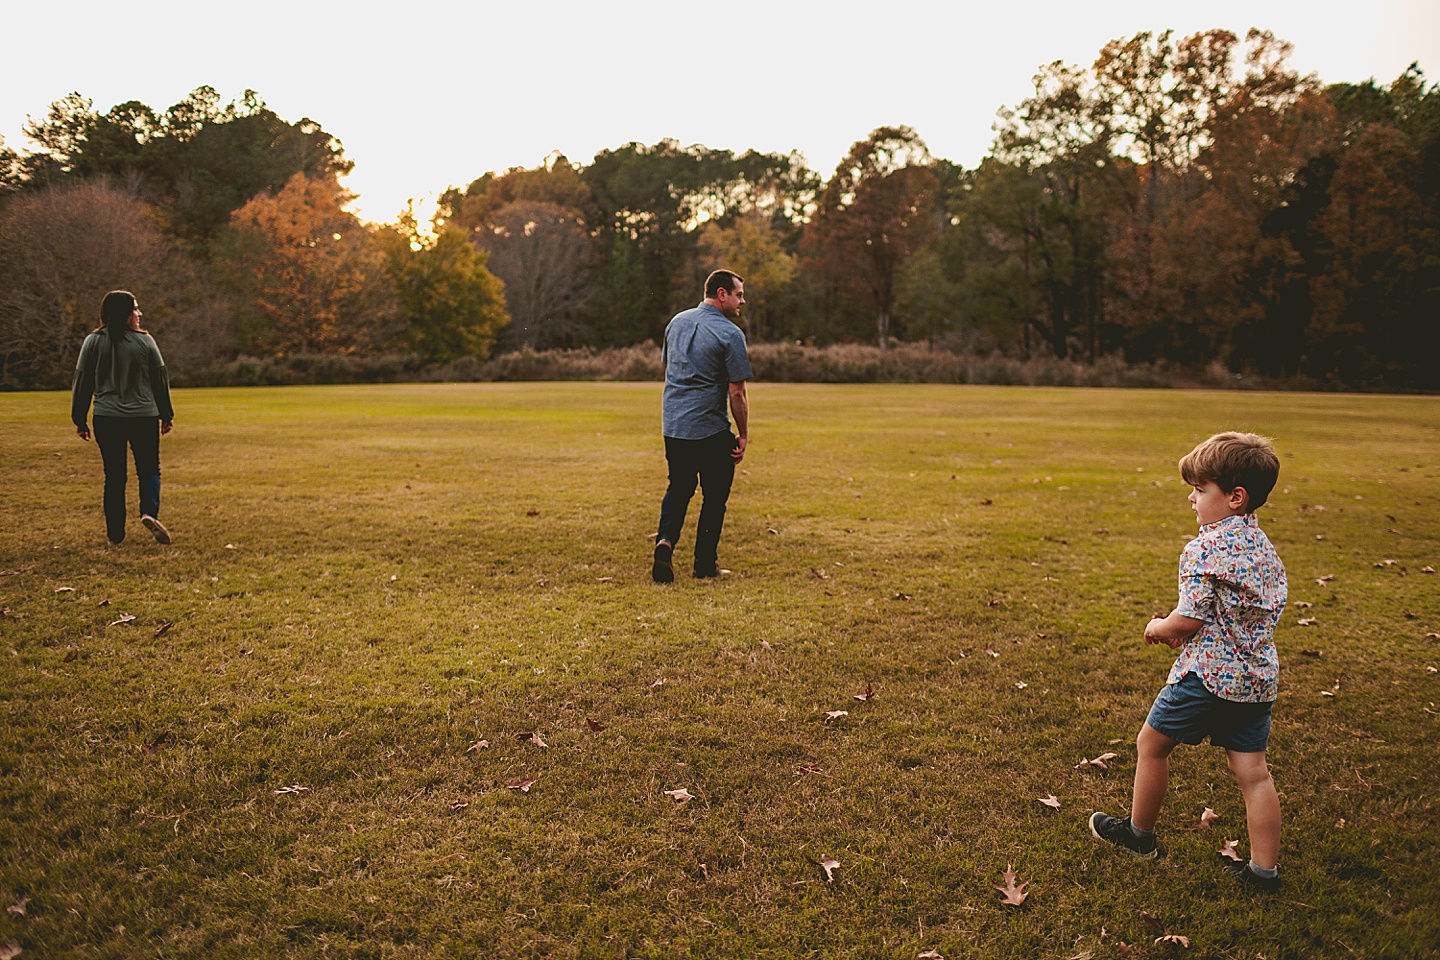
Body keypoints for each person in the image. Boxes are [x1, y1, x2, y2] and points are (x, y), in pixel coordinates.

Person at [1089, 432, 1288, 893]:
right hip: (1257, 681)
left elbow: (1187, 622)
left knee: (1151, 745)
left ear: (1235, 498)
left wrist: (1157, 626)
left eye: (1201, 490)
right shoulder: (1263, 548)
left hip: (1206, 678)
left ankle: (1140, 837)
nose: (1191, 498)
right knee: (1254, 773)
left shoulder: (1203, 549)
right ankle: (1264, 872)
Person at [651, 269, 752, 582]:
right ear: (722, 294)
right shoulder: (730, 334)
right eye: (738, 295)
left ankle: (665, 541)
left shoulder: (676, 323)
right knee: (715, 496)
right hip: (709, 427)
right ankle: (704, 565)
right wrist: (744, 434)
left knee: (679, 487)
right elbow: (737, 391)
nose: (742, 302)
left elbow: (670, 369)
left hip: (674, 426)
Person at [71, 290, 176, 546]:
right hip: (144, 416)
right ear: (125, 314)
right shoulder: (146, 342)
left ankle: (115, 534)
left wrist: (79, 418)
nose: (139, 314)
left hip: (107, 417)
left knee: (114, 475)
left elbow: (82, 382)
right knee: (149, 468)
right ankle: (149, 513)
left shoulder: (93, 342)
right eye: (135, 309)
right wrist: (166, 415)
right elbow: (160, 381)